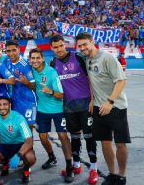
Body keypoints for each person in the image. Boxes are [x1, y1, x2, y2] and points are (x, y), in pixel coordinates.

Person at [76, 32, 130, 185]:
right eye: (79, 46)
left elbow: (121, 81)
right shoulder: (87, 60)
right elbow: (92, 82)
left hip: (116, 107)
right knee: (105, 143)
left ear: (92, 42)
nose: (82, 48)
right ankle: (112, 174)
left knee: (120, 143)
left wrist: (110, 102)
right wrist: (93, 100)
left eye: (84, 44)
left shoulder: (107, 58)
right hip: (99, 108)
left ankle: (122, 176)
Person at [49, 35, 98, 184]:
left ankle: (93, 169)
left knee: (89, 136)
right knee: (75, 137)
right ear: (51, 48)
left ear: (65, 45)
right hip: (68, 106)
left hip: (85, 104)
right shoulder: (52, 63)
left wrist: (92, 99)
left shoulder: (79, 57)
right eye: (55, 47)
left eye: (61, 46)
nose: (59, 49)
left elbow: (91, 78)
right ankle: (76, 165)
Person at [29, 48, 74, 183]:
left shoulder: (51, 72)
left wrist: (51, 92)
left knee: (62, 136)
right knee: (42, 137)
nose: (35, 61)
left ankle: (69, 167)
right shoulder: (31, 71)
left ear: (42, 59)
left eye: (38, 58)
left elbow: (61, 95)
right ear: (30, 60)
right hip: (42, 110)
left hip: (58, 110)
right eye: (33, 58)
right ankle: (52, 157)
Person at [0, 96, 36, 183]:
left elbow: (29, 141)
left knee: (30, 158)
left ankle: (26, 170)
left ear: (10, 105)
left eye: (5, 104)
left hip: (20, 145)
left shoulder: (19, 118)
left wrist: (19, 155)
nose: (2, 107)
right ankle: (5, 162)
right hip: (4, 144)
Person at [3, 40, 37, 128]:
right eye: (8, 51)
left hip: (28, 102)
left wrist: (26, 82)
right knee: (17, 128)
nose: (11, 53)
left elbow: (34, 87)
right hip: (14, 101)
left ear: (19, 50)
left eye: (14, 50)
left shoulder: (25, 65)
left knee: (28, 129)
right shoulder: (7, 61)